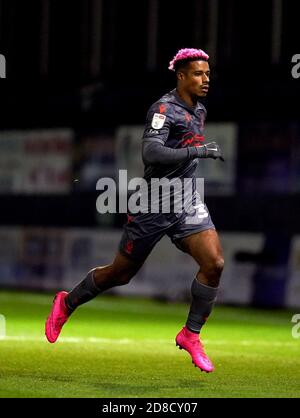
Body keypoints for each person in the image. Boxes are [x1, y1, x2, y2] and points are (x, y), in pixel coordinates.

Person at [45, 48, 225, 373]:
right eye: (198, 73)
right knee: (120, 274)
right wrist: (199, 151)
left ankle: (191, 334)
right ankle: (66, 303)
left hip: (187, 200)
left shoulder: (199, 110)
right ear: (181, 75)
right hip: (154, 202)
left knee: (214, 264)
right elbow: (152, 153)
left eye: (208, 74)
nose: (205, 79)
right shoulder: (163, 109)